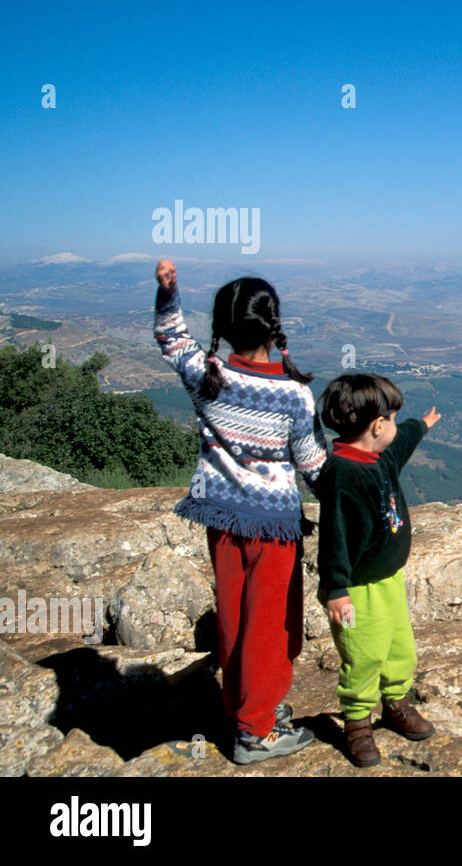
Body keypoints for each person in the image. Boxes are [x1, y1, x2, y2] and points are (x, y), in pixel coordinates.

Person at [153, 259, 326, 764]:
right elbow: (314, 466)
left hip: (222, 519)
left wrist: (169, 292)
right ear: (274, 325)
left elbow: (171, 336)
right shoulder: (293, 395)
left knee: (234, 616)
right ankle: (255, 731)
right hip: (273, 527)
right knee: (270, 625)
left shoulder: (207, 375)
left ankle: (242, 706)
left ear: (222, 329)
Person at [315, 373, 441, 766]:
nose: (396, 423)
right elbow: (334, 537)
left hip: (388, 578)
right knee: (364, 655)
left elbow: (401, 440)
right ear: (376, 426)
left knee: (398, 647)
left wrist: (421, 425)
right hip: (357, 587)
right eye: (393, 417)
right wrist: (337, 589)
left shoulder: (378, 454)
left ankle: (396, 702)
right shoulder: (342, 474)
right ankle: (356, 723)